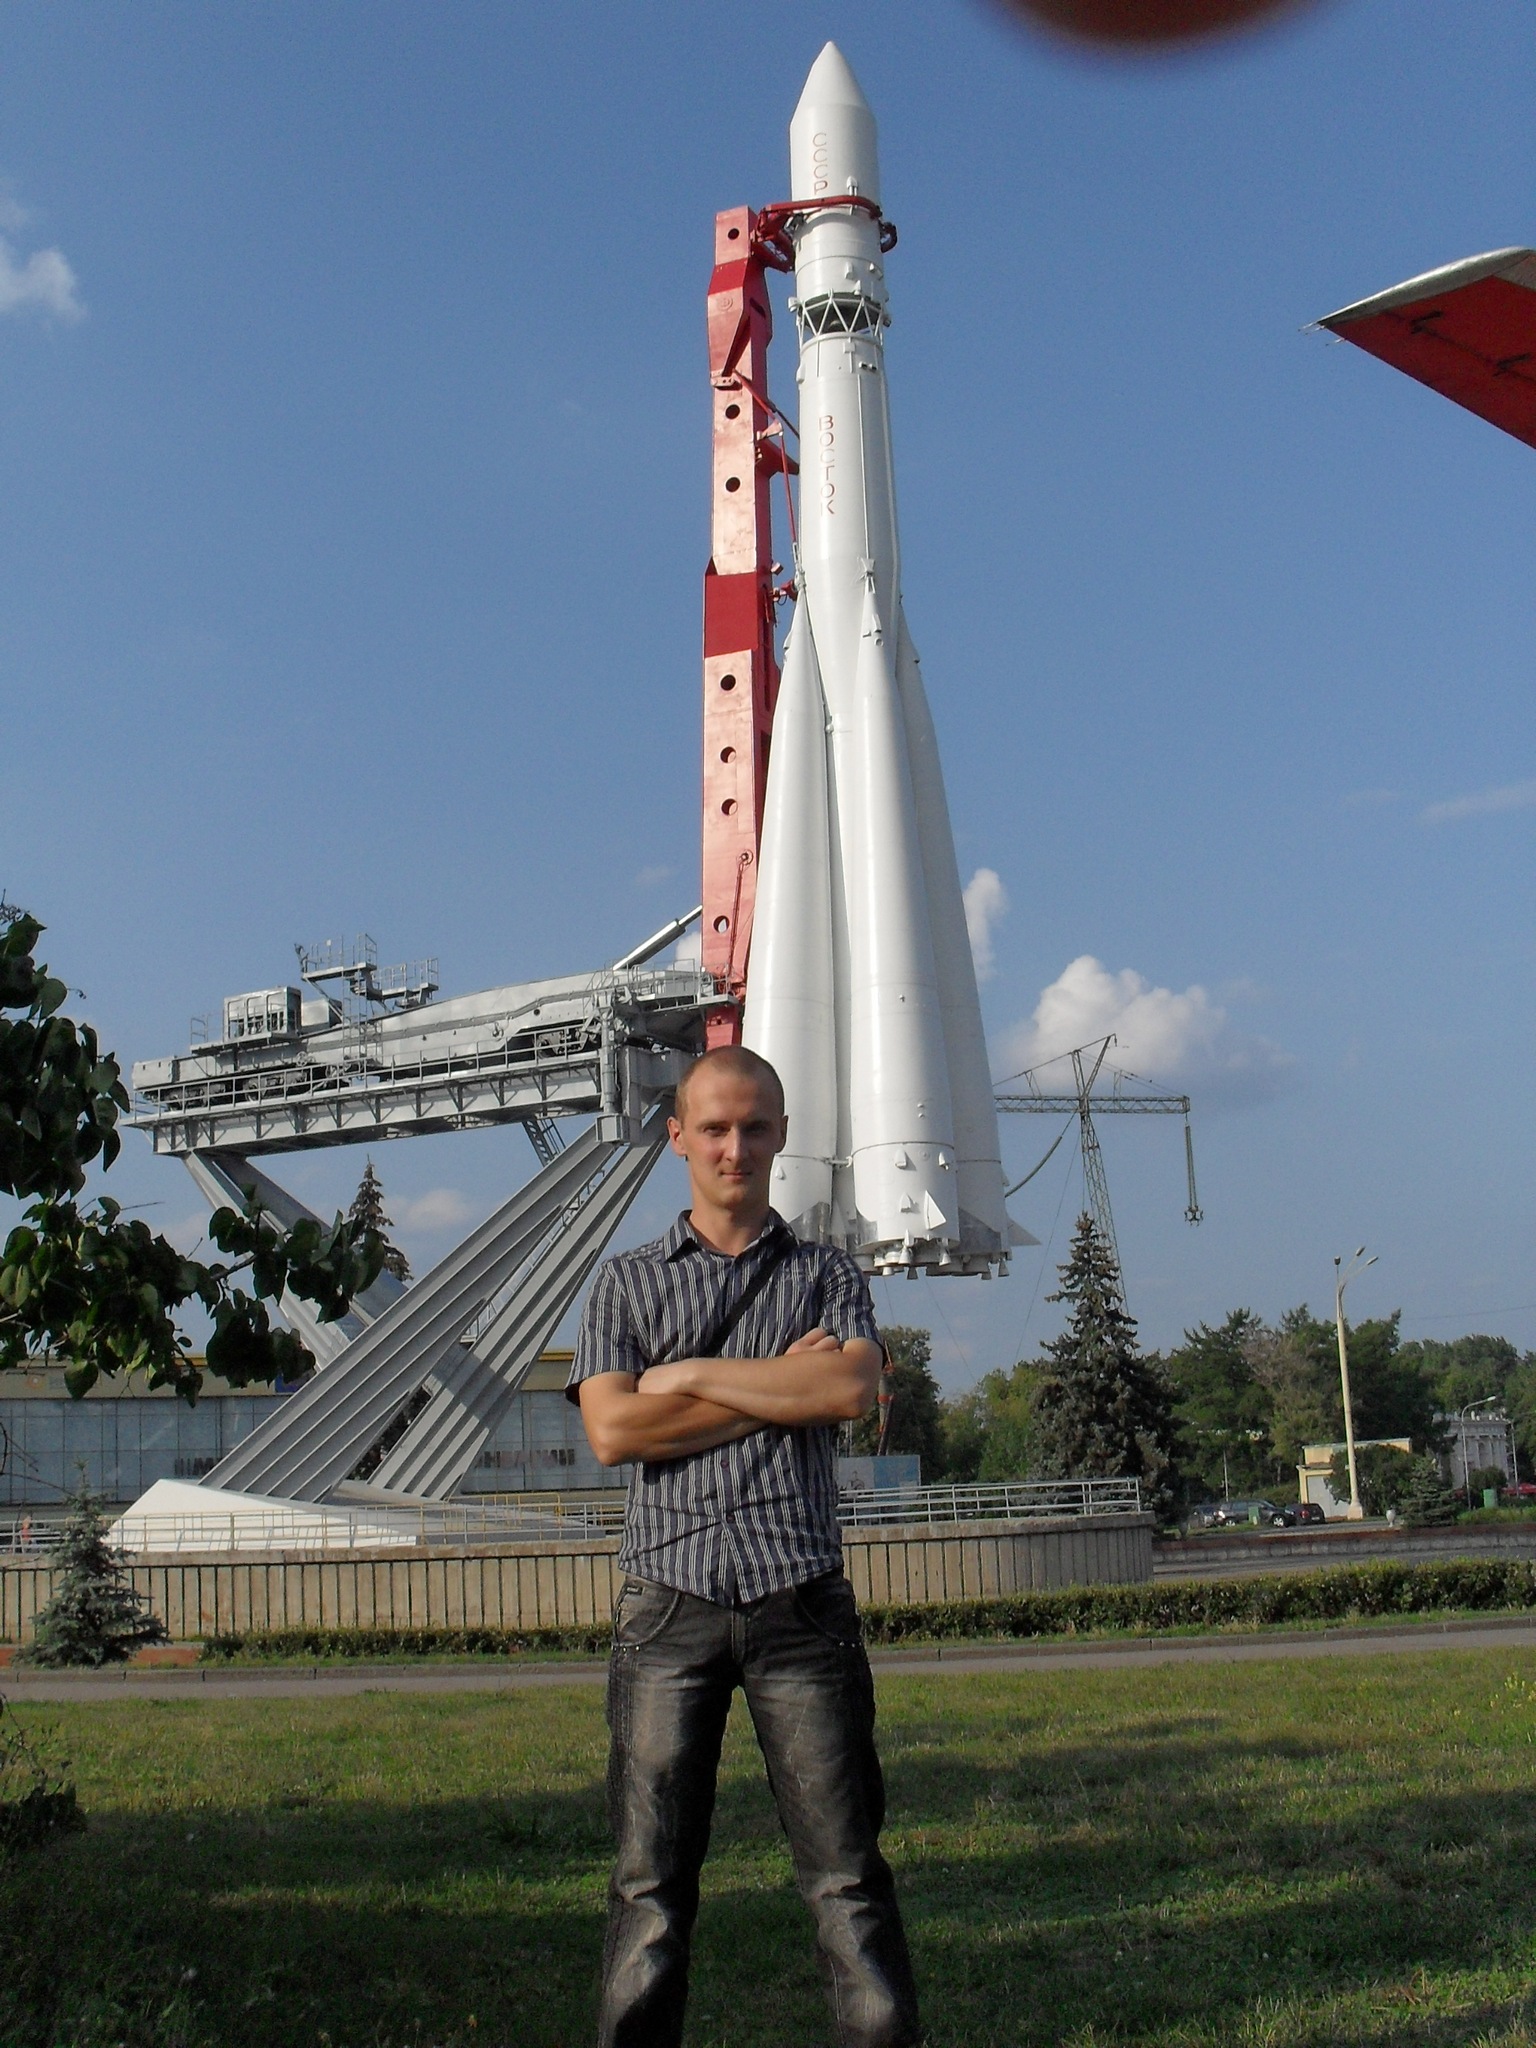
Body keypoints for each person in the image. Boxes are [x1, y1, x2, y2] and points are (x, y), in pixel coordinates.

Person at [568, 1043, 920, 2048]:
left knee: (847, 1876)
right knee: (649, 1887)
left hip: (798, 1601)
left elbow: (848, 1388)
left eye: (755, 1127)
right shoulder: (624, 1283)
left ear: (782, 1136)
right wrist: (774, 1386)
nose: (736, 1147)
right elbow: (613, 1431)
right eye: (716, 1127)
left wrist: (682, 1377)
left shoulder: (825, 1272)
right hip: (666, 1605)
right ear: (678, 1136)